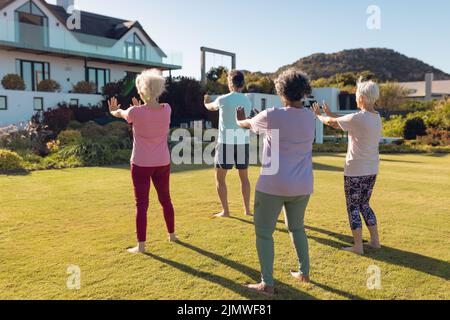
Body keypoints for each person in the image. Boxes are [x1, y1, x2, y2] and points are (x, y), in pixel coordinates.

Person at [236, 69, 316, 295]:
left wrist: (240, 119)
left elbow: (246, 124)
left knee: (263, 233)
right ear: (303, 91)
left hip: (273, 185)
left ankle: (267, 284)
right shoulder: (310, 117)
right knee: (297, 228)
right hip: (302, 186)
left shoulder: (272, 115)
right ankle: (304, 272)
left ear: (281, 91)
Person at [108, 69, 177, 254]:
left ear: (142, 91)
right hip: (162, 162)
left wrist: (115, 111)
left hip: (140, 164)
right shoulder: (167, 109)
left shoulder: (135, 112)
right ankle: (172, 235)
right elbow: (147, 116)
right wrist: (138, 110)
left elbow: (122, 113)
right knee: (166, 200)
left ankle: (142, 246)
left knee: (141, 204)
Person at [312, 78, 382, 255]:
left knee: (352, 207)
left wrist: (319, 115)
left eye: (357, 95)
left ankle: (358, 247)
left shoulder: (359, 118)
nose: (356, 98)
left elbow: (332, 123)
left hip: (355, 171)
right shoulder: (376, 117)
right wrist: (331, 113)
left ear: (363, 98)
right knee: (364, 205)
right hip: (371, 169)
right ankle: (374, 242)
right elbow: (346, 120)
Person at [204, 70, 254, 218]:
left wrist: (205, 101)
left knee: (220, 178)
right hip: (242, 142)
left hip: (226, 142)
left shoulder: (223, 99)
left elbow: (210, 107)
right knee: (244, 178)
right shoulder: (247, 101)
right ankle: (247, 210)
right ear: (243, 83)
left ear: (230, 83)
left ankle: (226, 211)